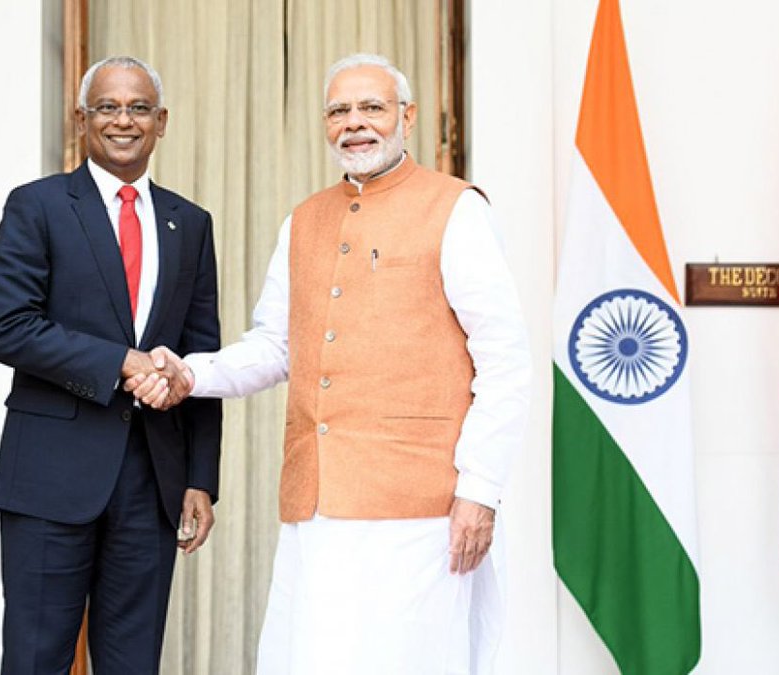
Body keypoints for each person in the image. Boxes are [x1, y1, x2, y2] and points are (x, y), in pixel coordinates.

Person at [128, 53, 531, 674]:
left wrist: (480, 492)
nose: (355, 123)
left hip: (422, 508)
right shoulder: (303, 221)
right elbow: (276, 346)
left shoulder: (457, 209)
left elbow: (504, 362)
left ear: (408, 116)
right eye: (339, 111)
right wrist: (190, 372)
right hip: (317, 504)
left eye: (372, 107)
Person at [0, 56, 222, 675]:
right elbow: (5, 326)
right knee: (36, 661)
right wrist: (120, 362)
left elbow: (201, 353)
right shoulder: (36, 206)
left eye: (139, 107)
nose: (124, 120)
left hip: (153, 483)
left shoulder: (190, 224)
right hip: (49, 481)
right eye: (108, 107)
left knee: (133, 663)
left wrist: (200, 478)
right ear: (81, 117)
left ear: (161, 121)